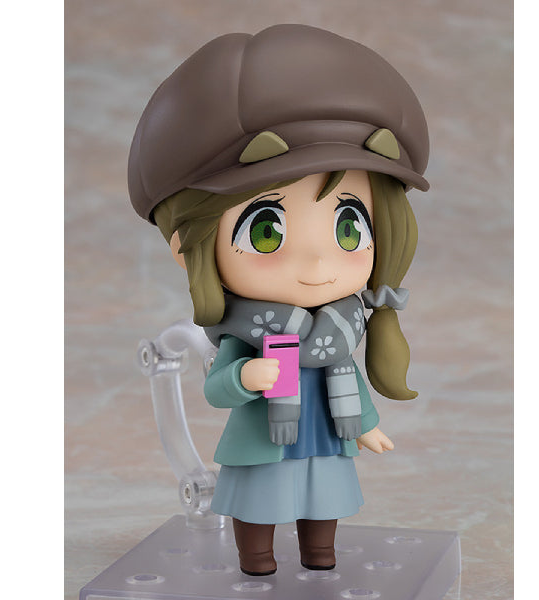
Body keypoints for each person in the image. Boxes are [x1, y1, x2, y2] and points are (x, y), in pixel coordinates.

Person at [128, 24, 429, 576]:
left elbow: (348, 378)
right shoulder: (246, 332)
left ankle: (320, 553)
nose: (316, 264)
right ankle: (257, 556)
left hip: (324, 435)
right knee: (260, 498)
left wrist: (365, 425)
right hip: (262, 438)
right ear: (187, 246)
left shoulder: (340, 331)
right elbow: (217, 387)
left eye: (348, 228)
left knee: (323, 496)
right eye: (267, 232)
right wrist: (247, 377)